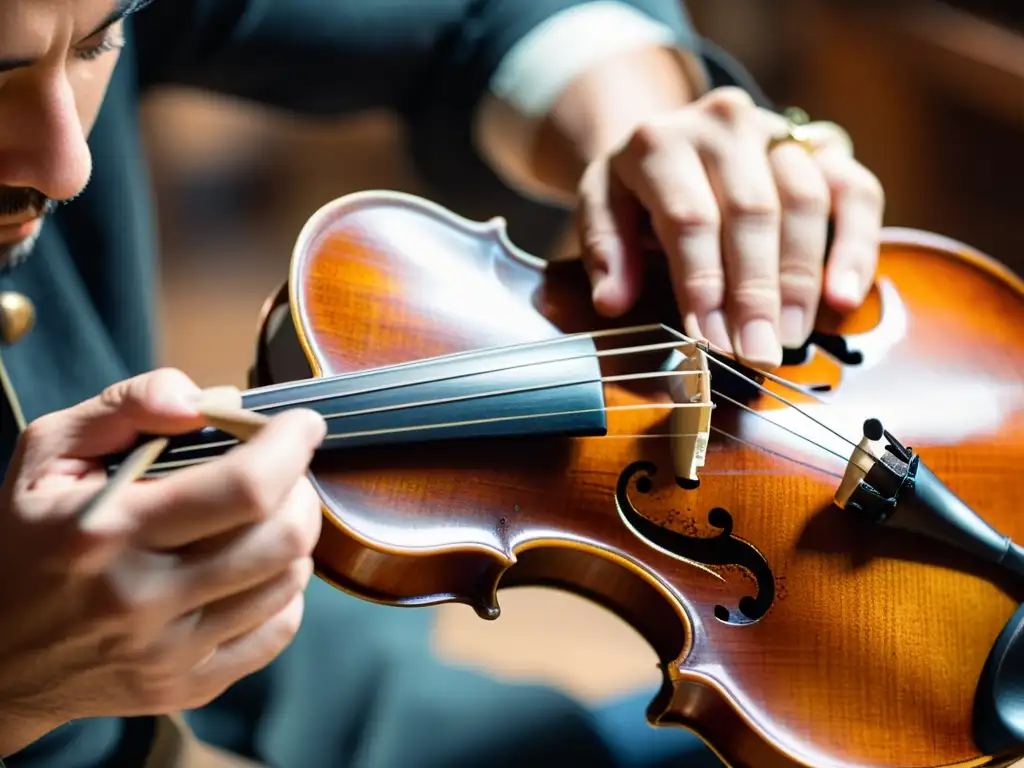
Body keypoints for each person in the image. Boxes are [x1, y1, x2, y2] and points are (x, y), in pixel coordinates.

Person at [0, 1, 885, 766]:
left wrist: (646, 136)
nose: (65, 163)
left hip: (335, 713)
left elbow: (471, 11)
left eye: (93, 44)